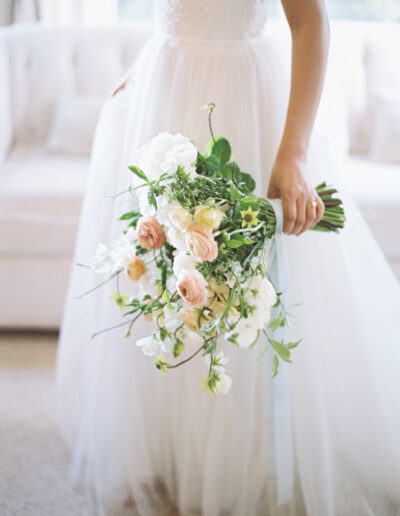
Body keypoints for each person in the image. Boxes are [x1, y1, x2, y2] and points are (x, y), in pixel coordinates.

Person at [56, 1, 400, 515]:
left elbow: (309, 21)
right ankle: (169, 453)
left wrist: (295, 154)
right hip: (162, 92)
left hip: (240, 99)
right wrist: (138, 75)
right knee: (162, 281)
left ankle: (240, 463)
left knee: (234, 284)